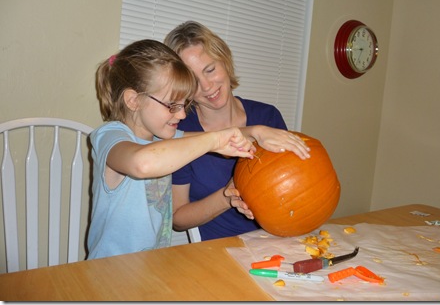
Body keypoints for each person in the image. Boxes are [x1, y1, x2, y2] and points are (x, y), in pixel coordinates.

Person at [87, 39, 256, 259]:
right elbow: (142, 163)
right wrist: (215, 141)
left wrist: (259, 132)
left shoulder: (163, 138)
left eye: (184, 105)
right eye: (172, 106)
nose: (182, 115)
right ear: (133, 100)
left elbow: (203, 139)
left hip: (151, 267)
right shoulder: (110, 135)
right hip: (108, 272)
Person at [164, 21, 311, 241]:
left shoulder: (267, 116)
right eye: (193, 80)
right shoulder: (182, 132)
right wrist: (227, 197)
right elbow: (178, 218)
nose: (206, 86)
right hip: (217, 250)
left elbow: (291, 190)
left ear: (225, 62)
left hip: (276, 240)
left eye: (210, 70)